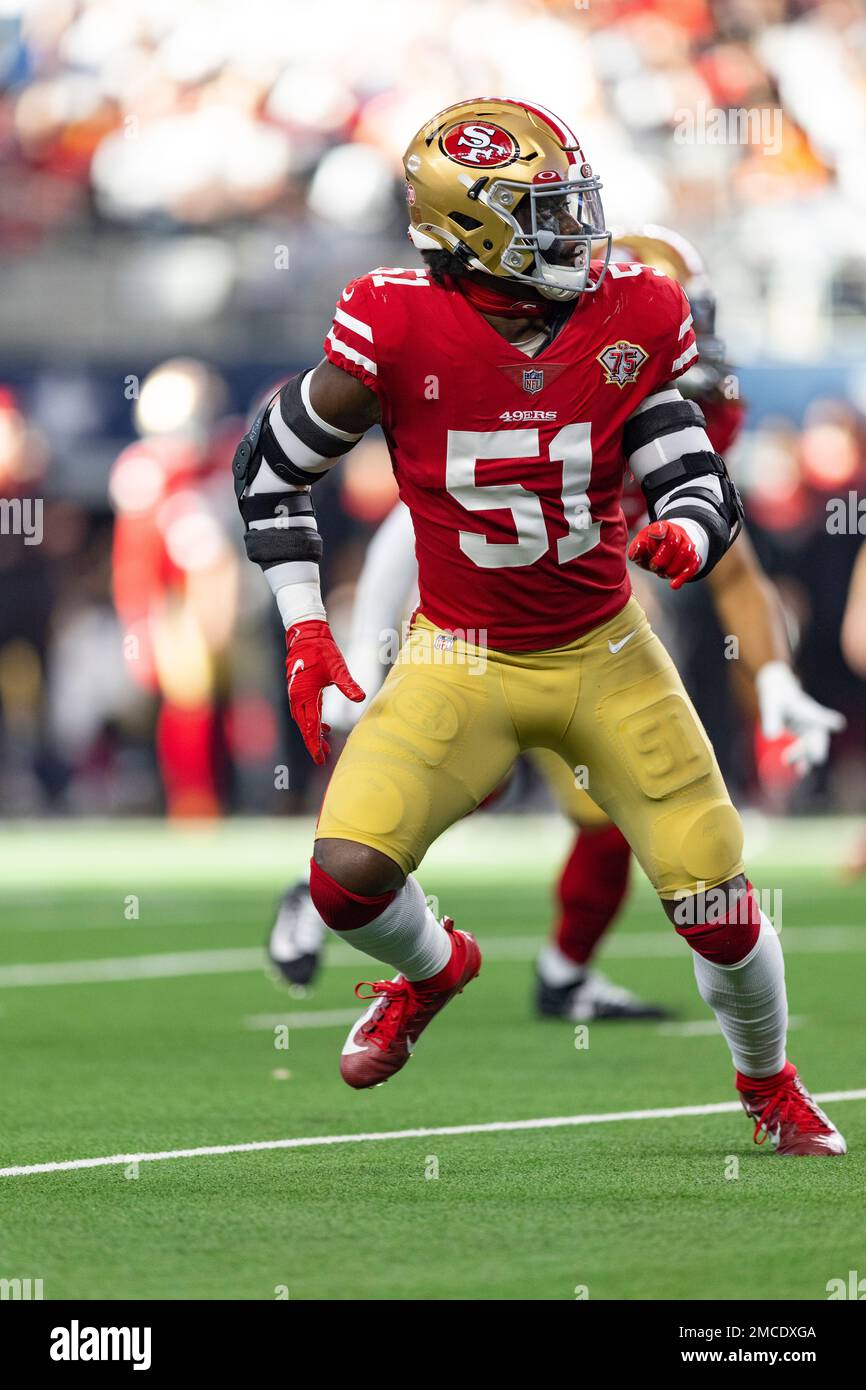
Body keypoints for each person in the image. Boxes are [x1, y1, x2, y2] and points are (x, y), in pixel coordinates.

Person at [234, 97, 845, 1154]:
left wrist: (687, 534)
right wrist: (301, 628)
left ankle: (769, 1087)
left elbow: (690, 470)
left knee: (717, 904)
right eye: (545, 212)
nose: (577, 231)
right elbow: (270, 472)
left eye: (572, 203)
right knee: (342, 879)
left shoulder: (635, 310)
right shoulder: (391, 322)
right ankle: (434, 966)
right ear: (471, 227)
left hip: (605, 650)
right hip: (457, 652)